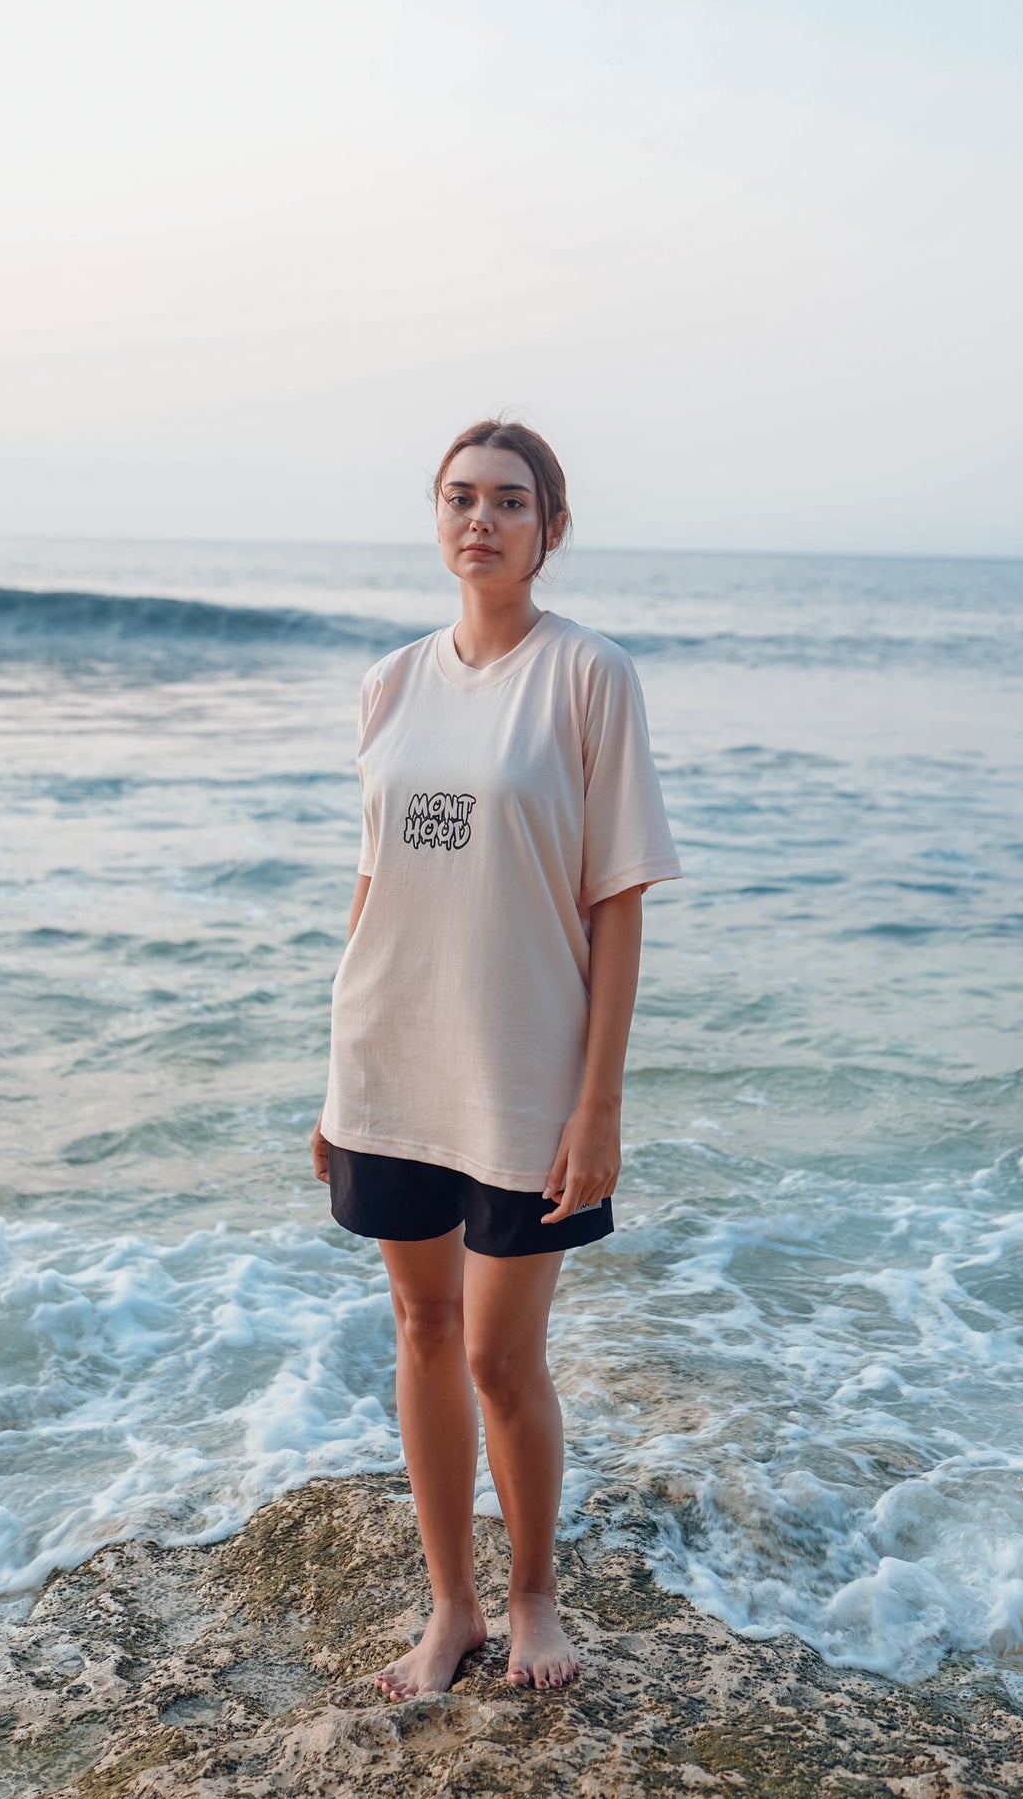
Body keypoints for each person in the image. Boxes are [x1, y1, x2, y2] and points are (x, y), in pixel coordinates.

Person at [311, 418, 682, 1698]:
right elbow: (374, 885)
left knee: (498, 1354)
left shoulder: (587, 678)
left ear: (550, 529)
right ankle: (450, 1610)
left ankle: (533, 1600)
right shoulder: (390, 683)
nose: (482, 520)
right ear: (437, 519)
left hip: (521, 1075)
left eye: (510, 502)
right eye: (461, 498)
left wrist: (599, 1101)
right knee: (419, 1327)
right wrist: (334, 1074)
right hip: (386, 1059)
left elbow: (615, 899)